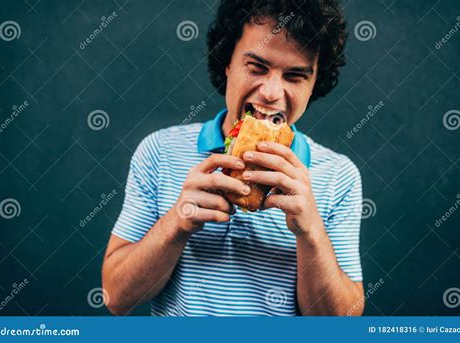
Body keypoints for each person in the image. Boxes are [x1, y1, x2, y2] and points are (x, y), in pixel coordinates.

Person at [102, 0, 364, 316]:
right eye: (257, 67)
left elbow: (341, 323)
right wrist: (177, 223)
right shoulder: (159, 152)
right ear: (227, 63)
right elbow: (116, 297)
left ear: (313, 84)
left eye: (295, 76)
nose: (270, 92)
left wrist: (310, 234)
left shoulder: (339, 176)